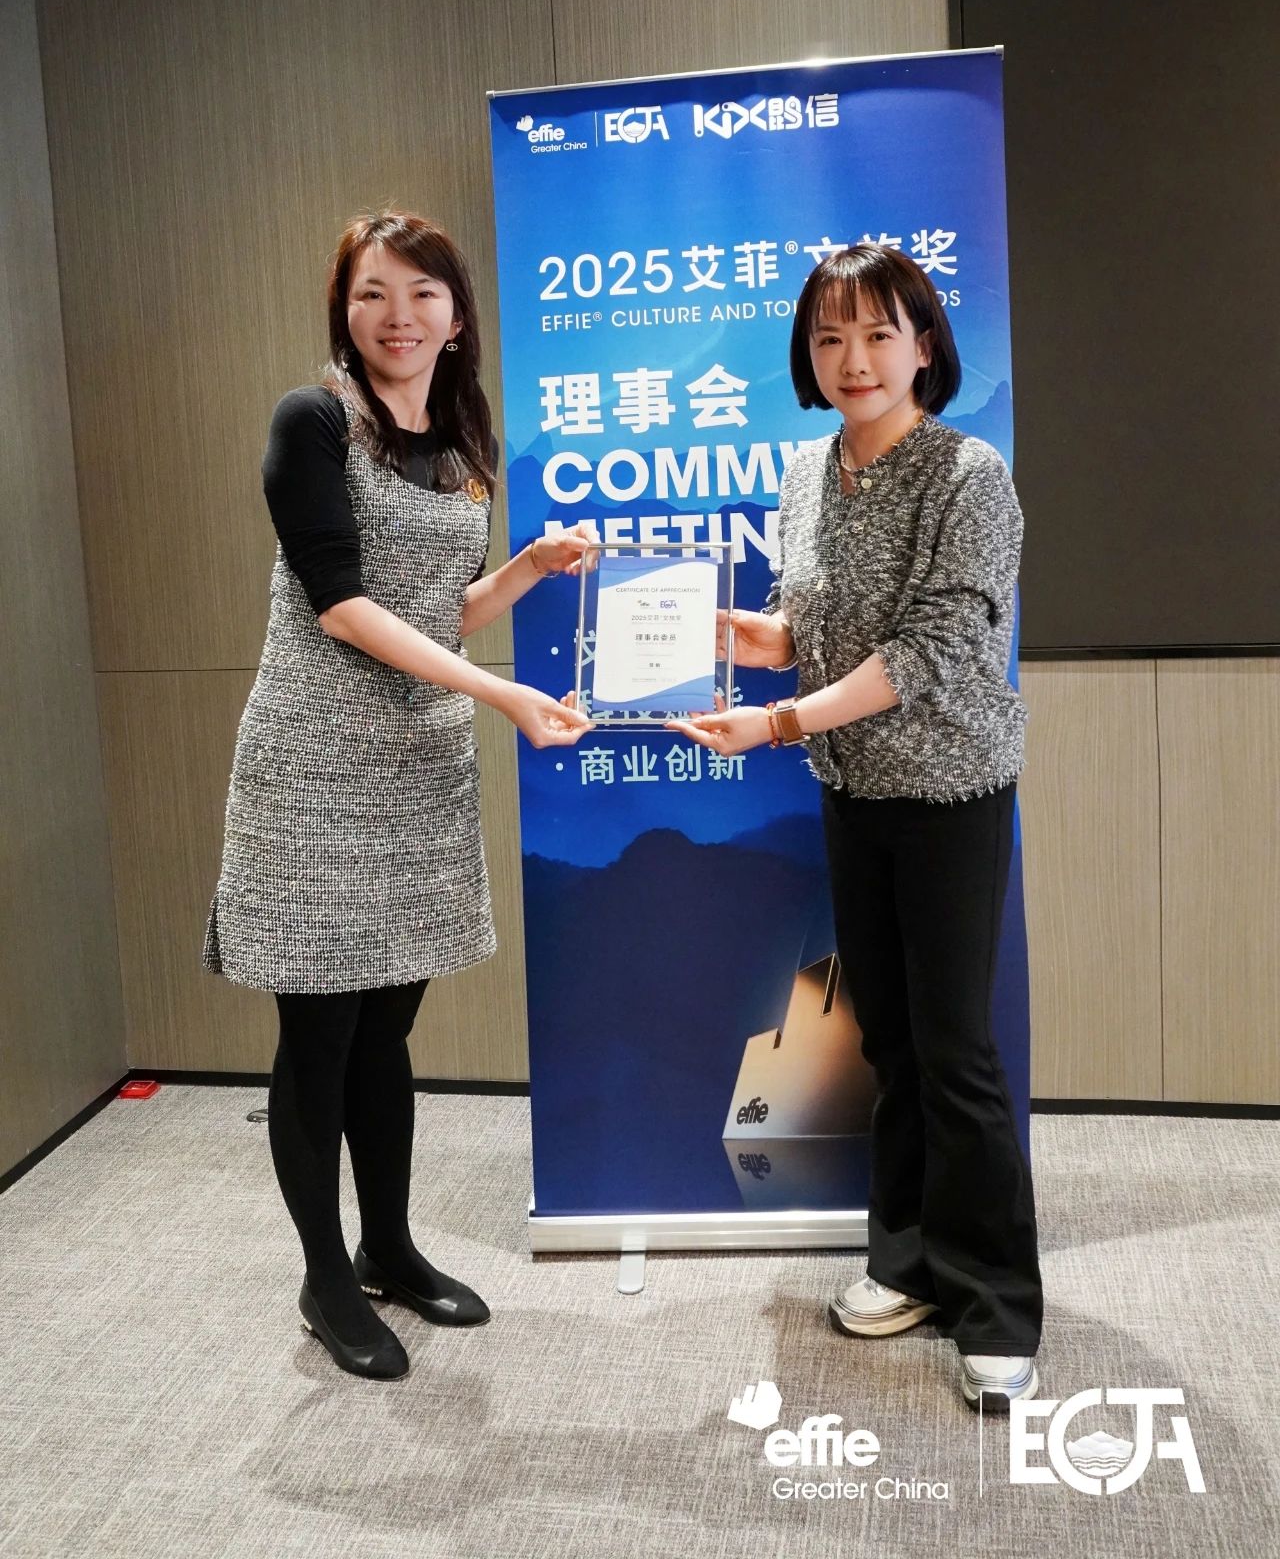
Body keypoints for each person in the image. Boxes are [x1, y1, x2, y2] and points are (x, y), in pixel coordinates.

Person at [204, 209, 591, 1381]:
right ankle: (325, 1277)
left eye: (422, 294)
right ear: (345, 309)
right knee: (319, 1033)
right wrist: (501, 692)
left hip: (416, 768)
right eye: (372, 293)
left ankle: (389, 1248)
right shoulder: (313, 420)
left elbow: (431, 608)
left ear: (456, 316)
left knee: (387, 1028)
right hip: (314, 769)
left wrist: (520, 573)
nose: (398, 316)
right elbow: (342, 607)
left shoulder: (463, 437)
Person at [672, 241, 1043, 1411]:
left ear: (923, 345)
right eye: (828, 336)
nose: (853, 359)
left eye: (878, 333)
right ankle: (907, 1260)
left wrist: (780, 720)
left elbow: (931, 647)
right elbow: (810, 622)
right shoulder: (805, 472)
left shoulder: (967, 474)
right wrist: (748, 637)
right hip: (851, 790)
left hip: (948, 793)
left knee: (954, 1051)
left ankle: (994, 1302)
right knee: (888, 1042)